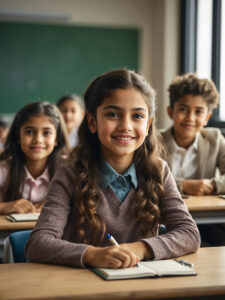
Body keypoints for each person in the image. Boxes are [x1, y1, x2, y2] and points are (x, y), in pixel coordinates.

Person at [25, 69, 200, 269]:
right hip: (82, 287)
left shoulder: (158, 170)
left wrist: (140, 249)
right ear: (92, 122)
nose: (126, 125)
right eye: (113, 114)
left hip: (142, 285)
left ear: (148, 124)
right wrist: (92, 255)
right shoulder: (69, 173)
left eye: (137, 116)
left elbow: (189, 233)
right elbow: (38, 243)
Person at [161, 73, 225, 196]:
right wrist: (182, 185)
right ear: (170, 112)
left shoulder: (215, 139)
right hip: (162, 212)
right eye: (183, 109)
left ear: (207, 118)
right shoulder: (155, 141)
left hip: (202, 212)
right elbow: (144, 179)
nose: (190, 118)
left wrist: (213, 185)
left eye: (198, 112)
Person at [0, 101, 70, 215]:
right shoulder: (4, 168)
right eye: (30, 132)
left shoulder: (69, 169)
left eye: (46, 132)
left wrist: (58, 204)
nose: (38, 140)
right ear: (18, 136)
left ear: (57, 139)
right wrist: (3, 207)